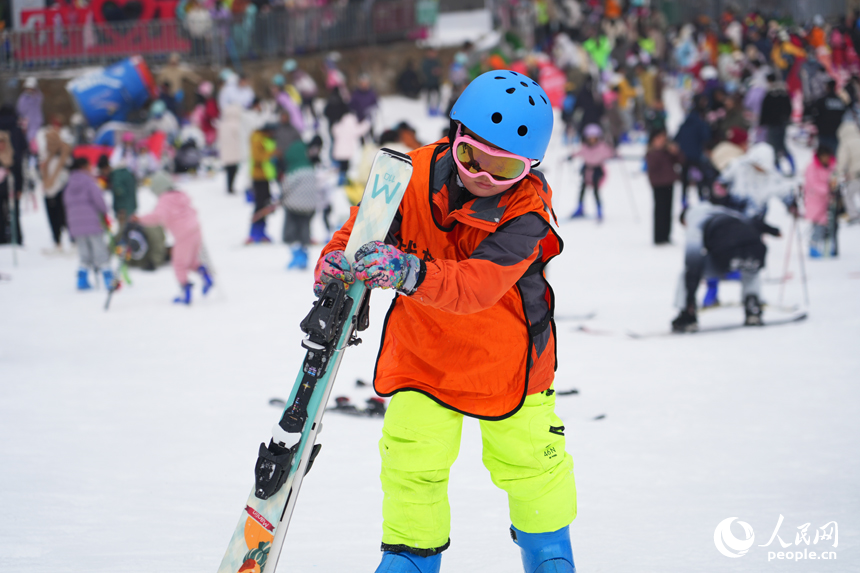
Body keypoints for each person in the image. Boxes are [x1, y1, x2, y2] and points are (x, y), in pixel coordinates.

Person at [312, 70, 575, 573]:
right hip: (424, 352)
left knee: (530, 464)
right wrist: (335, 260)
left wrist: (408, 271)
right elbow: (358, 231)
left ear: (529, 169)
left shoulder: (527, 211)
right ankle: (409, 561)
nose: (484, 177)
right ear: (455, 136)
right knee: (412, 459)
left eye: (505, 168)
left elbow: (477, 285)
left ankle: (549, 553)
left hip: (509, 359)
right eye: (472, 157)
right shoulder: (406, 176)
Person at [671, 202, 780, 333]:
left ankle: (687, 314)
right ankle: (753, 307)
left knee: (685, 274)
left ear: (685, 220)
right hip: (755, 251)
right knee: (750, 269)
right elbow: (751, 222)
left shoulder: (695, 221)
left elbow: (692, 260)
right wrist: (773, 230)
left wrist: (690, 298)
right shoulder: (725, 211)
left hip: (725, 256)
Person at [132, 171, 213, 304]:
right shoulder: (180, 194)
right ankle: (206, 276)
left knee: (179, 263)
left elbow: (157, 216)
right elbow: (193, 210)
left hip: (183, 234)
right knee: (190, 260)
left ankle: (186, 293)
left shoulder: (165, 199)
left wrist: (140, 219)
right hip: (195, 230)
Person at [63, 157, 112, 290]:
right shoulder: (89, 181)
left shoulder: (69, 184)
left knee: (84, 254)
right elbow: (98, 199)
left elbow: (66, 204)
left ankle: (82, 280)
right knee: (100, 251)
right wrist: (104, 210)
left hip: (75, 225)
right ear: (83, 167)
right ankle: (108, 279)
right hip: (92, 222)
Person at [279, 138, 316, 270]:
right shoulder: (311, 169)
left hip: (293, 206)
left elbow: (286, 187)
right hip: (310, 206)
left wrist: (281, 198)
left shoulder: (292, 171)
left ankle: (296, 254)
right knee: (305, 228)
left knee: (292, 229)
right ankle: (304, 253)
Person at [38, 115, 72, 254]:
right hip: (48, 190)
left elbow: (67, 170)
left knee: (64, 217)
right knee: (53, 218)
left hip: (61, 189)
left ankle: (72, 241)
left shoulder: (64, 155)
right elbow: (41, 173)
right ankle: (56, 241)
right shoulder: (45, 156)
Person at [568, 123, 615, 221]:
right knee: (582, 189)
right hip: (586, 170)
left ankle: (599, 209)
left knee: (596, 190)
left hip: (597, 170)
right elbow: (579, 152)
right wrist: (571, 156)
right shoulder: (585, 147)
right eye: (590, 138)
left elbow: (610, 153)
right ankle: (580, 208)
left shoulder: (602, 147)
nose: (591, 140)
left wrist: (614, 154)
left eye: (594, 138)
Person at [673, 93, 711, 208]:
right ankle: (701, 199)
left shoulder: (687, 120)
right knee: (699, 178)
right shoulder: (701, 121)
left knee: (685, 178)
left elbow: (677, 137)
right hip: (696, 155)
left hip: (684, 155)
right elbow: (706, 137)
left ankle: (684, 199)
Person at [645, 128, 681, 244]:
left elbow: (680, 160)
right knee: (660, 210)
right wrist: (659, 150)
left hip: (669, 182)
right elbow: (653, 165)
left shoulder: (667, 151)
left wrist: (675, 152)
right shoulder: (651, 152)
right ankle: (659, 236)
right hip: (658, 183)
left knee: (668, 209)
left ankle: (666, 235)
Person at [804, 145, 838, 258]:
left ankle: (828, 247)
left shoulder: (832, 166)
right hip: (815, 200)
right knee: (818, 225)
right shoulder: (812, 167)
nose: (825, 158)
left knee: (830, 226)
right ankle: (813, 247)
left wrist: (834, 188)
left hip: (828, 201)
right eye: (823, 156)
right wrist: (828, 189)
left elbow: (835, 178)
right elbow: (813, 184)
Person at [0, 105, 27, 246]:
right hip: (13, 172)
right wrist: (20, 186)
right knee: (14, 210)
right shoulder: (16, 129)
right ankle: (17, 237)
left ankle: (2, 238)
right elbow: (23, 149)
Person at [247, 123, 277, 243]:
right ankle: (254, 233)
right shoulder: (257, 139)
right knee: (260, 205)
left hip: (264, 176)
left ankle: (261, 231)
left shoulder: (263, 139)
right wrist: (272, 154)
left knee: (265, 204)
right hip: (259, 176)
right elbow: (258, 156)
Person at [759, 72, 794, 175]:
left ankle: (776, 168)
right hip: (782, 123)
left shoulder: (769, 94)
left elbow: (764, 110)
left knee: (773, 147)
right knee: (782, 145)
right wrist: (786, 118)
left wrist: (762, 123)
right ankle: (792, 166)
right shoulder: (784, 92)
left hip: (772, 124)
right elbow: (789, 107)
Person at [97, 154, 137, 229]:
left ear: (106, 168)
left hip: (123, 211)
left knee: (124, 230)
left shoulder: (116, 176)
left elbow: (119, 191)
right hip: (131, 206)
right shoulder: (122, 172)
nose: (104, 175)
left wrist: (121, 210)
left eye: (103, 172)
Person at [809, 80, 847, 153]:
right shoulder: (841, 101)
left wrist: (817, 124)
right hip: (836, 133)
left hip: (824, 133)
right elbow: (844, 115)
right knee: (834, 156)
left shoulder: (822, 100)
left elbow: (814, 113)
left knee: (824, 156)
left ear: (827, 88)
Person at [16, 77, 43, 148]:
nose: (30, 90)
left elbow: (39, 99)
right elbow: (20, 110)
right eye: (29, 88)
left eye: (32, 88)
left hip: (37, 121)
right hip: (27, 122)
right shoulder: (22, 98)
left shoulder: (37, 96)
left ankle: (35, 150)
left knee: (37, 138)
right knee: (28, 138)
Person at [421, 48, 443, 116]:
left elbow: (440, 70)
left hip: (436, 82)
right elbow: (424, 71)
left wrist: (438, 72)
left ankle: (437, 108)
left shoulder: (436, 61)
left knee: (438, 95)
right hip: (428, 82)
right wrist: (431, 72)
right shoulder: (425, 62)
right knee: (429, 96)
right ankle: (429, 109)